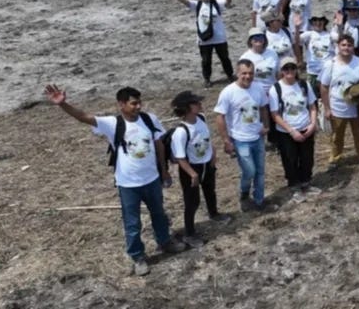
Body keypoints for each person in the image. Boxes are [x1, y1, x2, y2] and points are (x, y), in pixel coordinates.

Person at [44, 84, 185, 276]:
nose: (138, 107)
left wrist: (164, 170)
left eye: (139, 103)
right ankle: (138, 256)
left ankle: (165, 241)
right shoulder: (112, 124)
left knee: (159, 214)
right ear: (121, 104)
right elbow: (84, 117)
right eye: (133, 103)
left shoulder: (149, 119)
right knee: (132, 223)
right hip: (128, 184)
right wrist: (63, 104)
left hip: (152, 179)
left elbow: (159, 143)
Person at [168, 91, 230, 249]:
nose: (200, 105)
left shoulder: (201, 118)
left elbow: (207, 140)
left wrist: (213, 156)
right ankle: (189, 233)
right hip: (192, 169)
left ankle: (214, 213)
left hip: (206, 164)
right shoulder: (181, 132)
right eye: (196, 103)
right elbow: (180, 157)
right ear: (187, 107)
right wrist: (192, 174)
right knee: (192, 201)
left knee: (210, 190)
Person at [214, 59, 270, 211]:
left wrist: (266, 125)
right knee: (249, 171)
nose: (248, 76)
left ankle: (259, 200)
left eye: (251, 73)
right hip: (240, 139)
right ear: (237, 73)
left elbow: (264, 107)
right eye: (244, 73)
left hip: (257, 136)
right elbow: (220, 116)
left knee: (260, 171)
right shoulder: (228, 92)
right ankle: (244, 192)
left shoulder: (258, 88)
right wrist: (226, 140)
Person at [318, 34, 359, 171]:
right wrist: (327, 108)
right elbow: (324, 87)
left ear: (353, 47)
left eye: (349, 45)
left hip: (357, 107)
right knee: (337, 135)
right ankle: (335, 158)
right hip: (337, 106)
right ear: (338, 47)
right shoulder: (330, 64)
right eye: (343, 45)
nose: (346, 48)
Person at [269, 57, 319, 202]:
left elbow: (312, 106)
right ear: (281, 71)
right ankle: (294, 186)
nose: (289, 71)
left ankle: (306, 182)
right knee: (290, 159)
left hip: (306, 127)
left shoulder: (304, 85)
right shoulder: (276, 89)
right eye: (286, 69)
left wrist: (313, 124)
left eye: (292, 68)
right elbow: (275, 114)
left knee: (307, 158)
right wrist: (291, 131)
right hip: (286, 131)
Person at [166, 0, 234, 87]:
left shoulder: (217, 3)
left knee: (225, 58)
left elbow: (228, 3)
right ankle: (207, 79)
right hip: (204, 39)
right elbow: (184, 1)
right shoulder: (197, 5)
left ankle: (230, 75)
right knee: (206, 61)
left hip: (219, 38)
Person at [239, 28, 280, 102]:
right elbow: (243, 79)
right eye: (255, 37)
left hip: (273, 90)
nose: (258, 39)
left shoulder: (273, 53)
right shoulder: (245, 57)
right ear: (250, 41)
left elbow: (278, 74)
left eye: (261, 37)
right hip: (255, 92)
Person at [299, 13, 334, 97]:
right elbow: (295, 41)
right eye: (315, 20)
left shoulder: (330, 35)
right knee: (312, 99)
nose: (318, 22)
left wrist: (339, 26)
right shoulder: (309, 34)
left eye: (320, 20)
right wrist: (297, 28)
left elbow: (340, 39)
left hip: (327, 72)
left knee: (328, 98)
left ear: (324, 22)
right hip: (312, 73)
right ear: (312, 22)